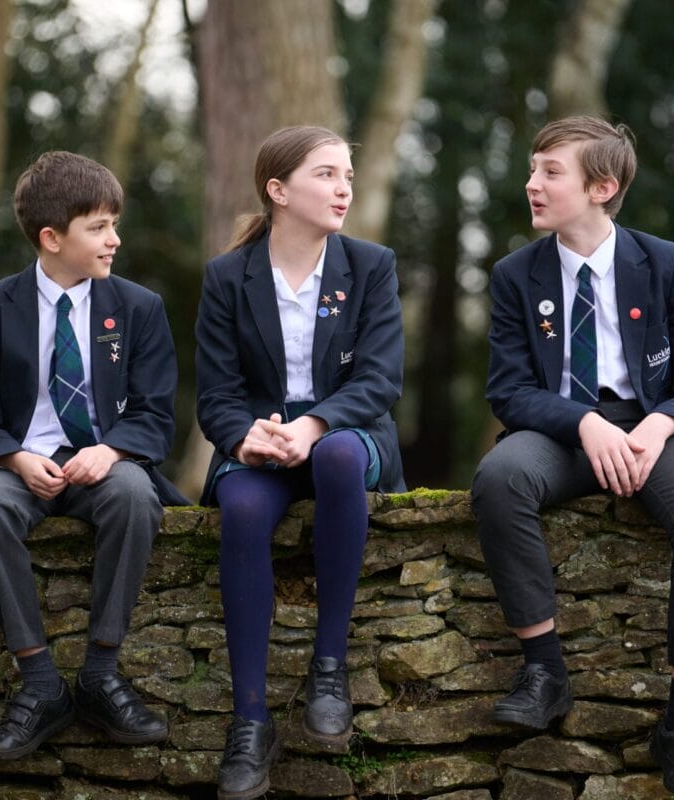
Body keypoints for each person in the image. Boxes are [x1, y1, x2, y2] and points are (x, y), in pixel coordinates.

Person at [472, 116, 674, 800]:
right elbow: (509, 391)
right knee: (500, 478)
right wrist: (585, 422)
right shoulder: (513, 274)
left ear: (602, 187)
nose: (531, 184)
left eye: (549, 173)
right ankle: (543, 670)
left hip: (656, 429)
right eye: (532, 169)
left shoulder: (664, 262)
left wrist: (655, 428)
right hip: (562, 432)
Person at [0, 151, 185, 760]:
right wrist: (15, 459)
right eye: (99, 227)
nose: (114, 239)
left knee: (135, 493)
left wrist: (112, 450)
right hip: (21, 469)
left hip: (108, 464)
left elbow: (156, 414)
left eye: (114, 223)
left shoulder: (139, 308)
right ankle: (40, 683)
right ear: (51, 237)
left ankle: (101, 673)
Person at [194, 126, 405, 799]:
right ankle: (250, 723)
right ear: (277, 191)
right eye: (326, 175)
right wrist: (243, 439)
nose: (343, 187)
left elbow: (380, 380)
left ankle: (329, 665)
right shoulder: (227, 276)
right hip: (261, 445)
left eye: (347, 174)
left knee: (339, 458)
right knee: (244, 506)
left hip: (345, 433)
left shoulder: (371, 266)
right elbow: (217, 395)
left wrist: (314, 424)